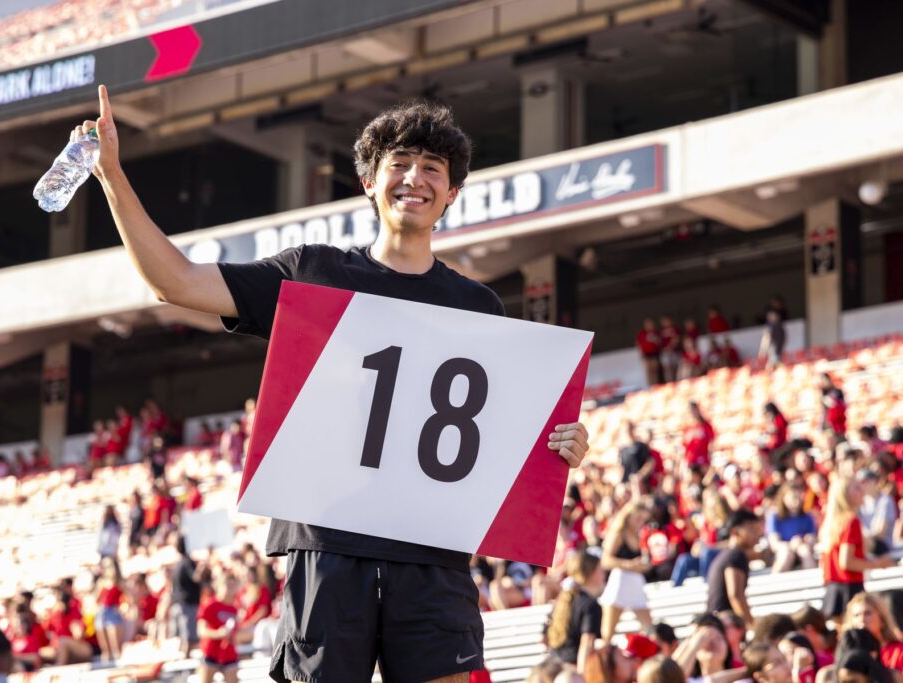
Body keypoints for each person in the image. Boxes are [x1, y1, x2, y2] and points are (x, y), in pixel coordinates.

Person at [77, 87, 591, 682]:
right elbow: (177, 281)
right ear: (369, 180)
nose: (414, 178)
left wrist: (560, 447)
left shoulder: (478, 305)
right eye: (398, 162)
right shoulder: (312, 274)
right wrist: (111, 173)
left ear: (452, 194)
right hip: (328, 546)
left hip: (434, 555)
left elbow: (495, 442)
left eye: (432, 168)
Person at [820, 476, 894, 621]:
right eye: (857, 488)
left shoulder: (831, 523)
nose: (862, 491)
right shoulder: (851, 521)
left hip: (834, 588)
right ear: (845, 494)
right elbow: (846, 562)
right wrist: (878, 564)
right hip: (849, 587)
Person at [599, 500, 653, 644]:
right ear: (628, 516)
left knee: (649, 628)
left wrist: (643, 566)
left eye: (643, 519)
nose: (640, 522)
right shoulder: (619, 533)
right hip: (620, 581)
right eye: (638, 518)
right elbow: (605, 560)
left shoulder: (637, 534)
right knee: (608, 632)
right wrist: (629, 565)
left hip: (635, 581)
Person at [546, 550, 605, 672]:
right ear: (592, 573)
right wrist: (580, 676)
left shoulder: (561, 601)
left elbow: (543, 637)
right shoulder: (590, 605)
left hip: (554, 668)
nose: (603, 573)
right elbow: (586, 645)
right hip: (572, 670)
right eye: (600, 569)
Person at [706, 509, 764, 630]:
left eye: (757, 529)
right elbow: (735, 595)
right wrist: (752, 626)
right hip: (725, 624)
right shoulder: (736, 555)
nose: (757, 534)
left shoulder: (726, 555)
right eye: (751, 529)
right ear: (734, 532)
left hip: (717, 623)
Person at [843, 593, 903, 671]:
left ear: (882, 619)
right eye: (856, 615)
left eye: (867, 613)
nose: (862, 619)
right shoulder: (846, 654)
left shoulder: (899, 652)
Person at [197, 574, 240, 683]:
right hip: (211, 651)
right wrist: (219, 633)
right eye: (227, 585)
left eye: (233, 586)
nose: (230, 589)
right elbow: (201, 630)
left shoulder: (234, 608)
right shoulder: (210, 604)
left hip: (228, 653)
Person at [766, 483, 817, 573]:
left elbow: (812, 539)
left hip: (802, 549)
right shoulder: (775, 516)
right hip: (783, 552)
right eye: (793, 498)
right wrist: (791, 545)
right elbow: (774, 543)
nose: (796, 502)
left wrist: (806, 541)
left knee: (805, 551)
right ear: (783, 498)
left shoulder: (808, 516)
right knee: (786, 553)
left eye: (798, 497)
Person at [169, 536, 202, 657]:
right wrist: (202, 567)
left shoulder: (178, 564)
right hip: (186, 605)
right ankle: (184, 664)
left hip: (178, 604)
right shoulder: (187, 562)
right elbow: (196, 577)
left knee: (181, 639)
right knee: (189, 638)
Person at [94, 557, 128, 662]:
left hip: (113, 611)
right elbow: (97, 599)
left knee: (116, 647)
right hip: (102, 612)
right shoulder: (101, 582)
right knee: (106, 650)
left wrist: (123, 607)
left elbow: (128, 598)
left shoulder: (119, 583)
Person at [637, 319, 662, 386]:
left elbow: (660, 343)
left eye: (651, 324)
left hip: (654, 355)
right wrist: (640, 353)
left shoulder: (655, 333)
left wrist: (655, 339)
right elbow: (638, 344)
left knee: (655, 371)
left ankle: (656, 385)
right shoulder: (641, 333)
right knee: (648, 372)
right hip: (646, 355)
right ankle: (650, 386)